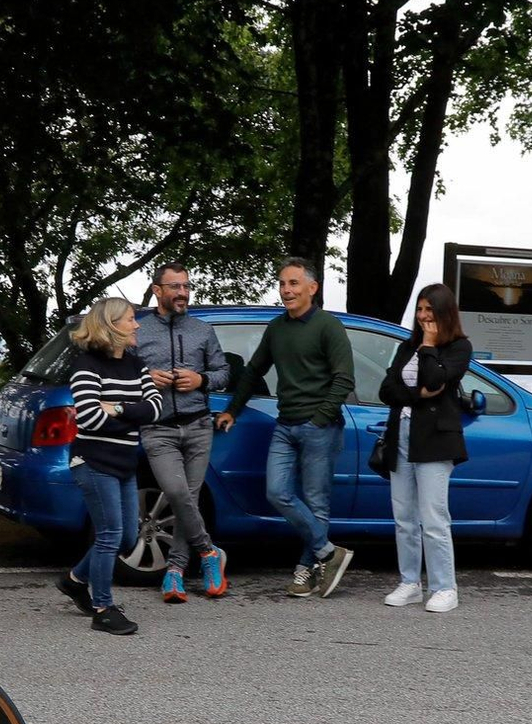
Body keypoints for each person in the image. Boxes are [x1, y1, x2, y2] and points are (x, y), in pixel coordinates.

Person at [216, 258, 355, 598]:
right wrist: (232, 409)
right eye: (282, 284)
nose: (286, 290)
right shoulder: (277, 328)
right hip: (285, 424)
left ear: (312, 288)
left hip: (320, 427)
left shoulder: (328, 326)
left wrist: (320, 418)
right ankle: (328, 553)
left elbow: (344, 378)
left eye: (293, 283)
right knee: (277, 492)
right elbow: (253, 370)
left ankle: (305, 571)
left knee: (316, 502)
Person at [54, 297, 164, 635]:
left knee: (128, 538)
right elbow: (89, 418)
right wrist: (132, 413)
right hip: (93, 462)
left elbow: (156, 408)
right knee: (110, 535)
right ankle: (103, 609)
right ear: (111, 326)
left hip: (124, 463)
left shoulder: (136, 364)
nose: (137, 325)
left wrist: (116, 408)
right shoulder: (86, 366)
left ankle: (75, 580)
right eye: (131, 319)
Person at [136, 262, 231, 603]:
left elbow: (223, 373)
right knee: (178, 493)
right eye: (175, 287)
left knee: (186, 499)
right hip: (157, 429)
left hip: (198, 426)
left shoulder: (202, 330)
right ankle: (208, 552)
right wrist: (147, 378)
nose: (183, 293)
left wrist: (200, 379)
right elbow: (122, 375)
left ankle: (174, 571)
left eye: (186, 286)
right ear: (157, 290)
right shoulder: (139, 331)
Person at [375, 283, 472, 614]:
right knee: (404, 516)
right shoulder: (407, 346)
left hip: (435, 439)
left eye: (429, 309)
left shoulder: (459, 347)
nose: (423, 315)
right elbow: (387, 390)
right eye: (419, 309)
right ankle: (410, 582)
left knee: (433, 518)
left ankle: (445, 587)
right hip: (400, 434)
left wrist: (429, 346)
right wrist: (417, 395)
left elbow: (435, 380)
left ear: (444, 311)